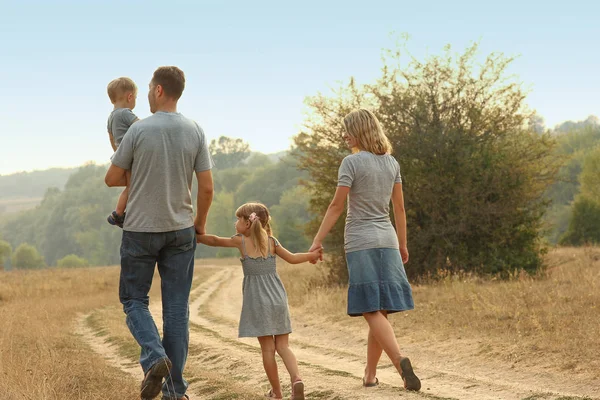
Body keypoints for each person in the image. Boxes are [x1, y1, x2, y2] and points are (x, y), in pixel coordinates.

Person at [105, 66, 214, 400]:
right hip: (181, 229)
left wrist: (143, 175)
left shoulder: (139, 131)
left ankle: (155, 357)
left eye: (151, 87)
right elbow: (207, 187)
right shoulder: (195, 130)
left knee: (134, 300)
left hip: (140, 229)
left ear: (159, 91)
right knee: (177, 310)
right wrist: (200, 224)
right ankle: (175, 391)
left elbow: (112, 178)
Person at [308, 108, 421, 391]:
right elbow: (400, 208)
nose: (344, 135)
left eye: (347, 129)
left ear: (359, 130)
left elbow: (336, 206)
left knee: (369, 308)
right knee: (379, 310)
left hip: (360, 241)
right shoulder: (392, 163)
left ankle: (399, 360)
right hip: (388, 239)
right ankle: (369, 375)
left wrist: (317, 240)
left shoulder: (351, 163)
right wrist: (403, 244)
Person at [197, 202, 321, 400]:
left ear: (248, 223)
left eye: (238, 218)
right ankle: (297, 379)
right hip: (278, 298)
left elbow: (213, 240)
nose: (235, 222)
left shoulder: (241, 241)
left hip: (258, 302)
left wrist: (194, 236)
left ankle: (277, 392)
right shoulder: (272, 242)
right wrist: (312, 255)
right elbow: (293, 258)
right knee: (283, 347)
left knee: (268, 350)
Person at [105, 77, 139, 228]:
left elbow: (111, 138)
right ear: (130, 97)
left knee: (131, 186)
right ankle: (118, 214)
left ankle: (121, 212)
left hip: (120, 155)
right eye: (136, 98)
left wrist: (118, 154)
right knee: (132, 187)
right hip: (130, 156)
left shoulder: (111, 117)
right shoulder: (125, 113)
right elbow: (143, 127)